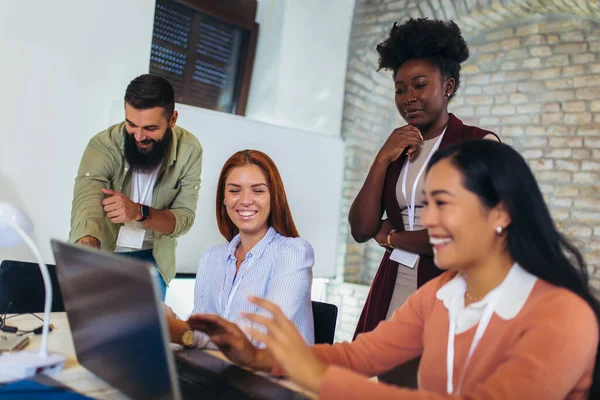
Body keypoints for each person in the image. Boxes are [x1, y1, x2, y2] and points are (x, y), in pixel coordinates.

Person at [186, 140, 600, 399]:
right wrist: (257, 358)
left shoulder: (562, 315)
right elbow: (359, 355)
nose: (427, 221)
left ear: (501, 212)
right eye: (425, 205)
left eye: (442, 203)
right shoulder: (440, 294)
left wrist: (317, 377)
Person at [350, 18, 499, 345]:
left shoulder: (479, 145)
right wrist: (381, 157)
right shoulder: (398, 149)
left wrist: (394, 239)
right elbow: (361, 229)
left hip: (453, 290)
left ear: (448, 86)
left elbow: (469, 236)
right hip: (394, 288)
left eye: (419, 85)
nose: (408, 98)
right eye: (400, 89)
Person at [68, 74, 203, 300]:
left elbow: (184, 219)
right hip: (106, 252)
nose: (139, 136)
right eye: (131, 124)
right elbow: (87, 202)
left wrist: (138, 212)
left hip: (153, 259)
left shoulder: (190, 150)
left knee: (147, 331)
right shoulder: (103, 145)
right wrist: (88, 258)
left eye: (150, 128)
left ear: (172, 120)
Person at [166, 150, 314, 349]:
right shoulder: (211, 258)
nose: (245, 200)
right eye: (234, 190)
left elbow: (257, 337)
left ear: (273, 197)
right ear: (224, 199)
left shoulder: (293, 253)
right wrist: (170, 321)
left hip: (275, 378)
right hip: (225, 372)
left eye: (258, 190)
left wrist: (181, 332)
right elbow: (201, 326)